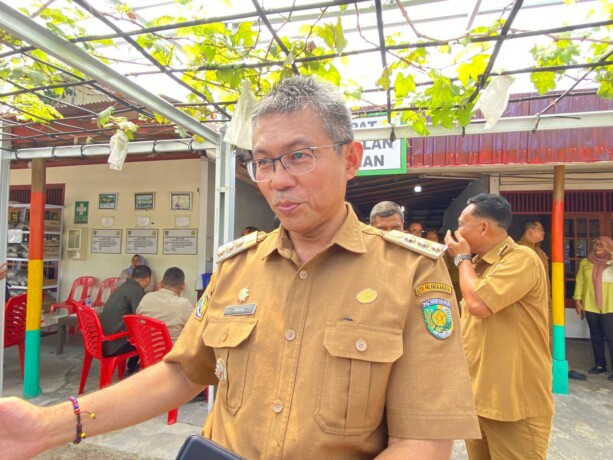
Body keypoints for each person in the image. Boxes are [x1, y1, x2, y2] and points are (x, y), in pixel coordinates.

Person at [0, 76, 479, 460]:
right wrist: (48, 426)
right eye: (263, 162)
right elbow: (181, 374)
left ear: (350, 158)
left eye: (298, 156)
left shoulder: (413, 272)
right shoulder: (238, 266)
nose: (278, 180)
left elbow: (424, 441)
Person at [444, 193, 554, 460]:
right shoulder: (479, 265)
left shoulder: (520, 258)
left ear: (483, 227)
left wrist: (462, 259)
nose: (456, 231)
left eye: (461, 224)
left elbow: (479, 305)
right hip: (478, 399)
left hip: (513, 403)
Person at [517, 220, 587, 381]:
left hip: (544, 300)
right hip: (531, 303)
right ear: (530, 231)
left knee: (549, 334)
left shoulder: (538, 251)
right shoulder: (521, 251)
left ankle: (555, 367)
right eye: (540, 230)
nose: (543, 233)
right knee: (536, 336)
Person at [99, 265, 152, 375]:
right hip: (115, 344)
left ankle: (132, 367)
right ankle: (133, 369)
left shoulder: (123, 286)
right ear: (147, 279)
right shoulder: (137, 290)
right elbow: (138, 319)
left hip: (104, 340)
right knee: (147, 339)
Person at [573, 236, 613, 381]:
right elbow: (580, 281)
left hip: (610, 306)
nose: (597, 248)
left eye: (601, 245)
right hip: (590, 304)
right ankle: (600, 364)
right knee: (596, 335)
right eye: (595, 245)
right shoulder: (586, 262)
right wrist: (578, 300)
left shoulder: (611, 262)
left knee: (611, 336)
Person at [136, 267, 193, 343]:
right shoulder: (184, 304)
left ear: (162, 283)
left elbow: (138, 320)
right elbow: (196, 328)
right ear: (183, 285)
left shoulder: (146, 297)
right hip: (172, 352)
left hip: (148, 350)